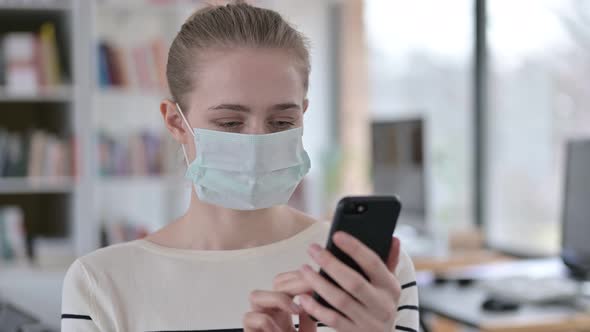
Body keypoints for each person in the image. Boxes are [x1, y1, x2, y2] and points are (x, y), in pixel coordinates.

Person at [61, 2, 419, 331]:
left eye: (281, 122)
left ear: (303, 116)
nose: (257, 141)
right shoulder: (100, 283)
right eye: (230, 123)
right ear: (175, 122)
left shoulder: (370, 275)